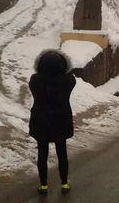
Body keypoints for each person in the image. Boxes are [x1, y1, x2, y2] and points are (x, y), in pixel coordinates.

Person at [29, 49, 76, 196]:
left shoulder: (35, 80)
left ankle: (43, 186)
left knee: (42, 153)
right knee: (62, 153)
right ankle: (65, 183)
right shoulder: (69, 80)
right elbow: (70, 76)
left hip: (41, 121)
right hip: (61, 121)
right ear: (62, 65)